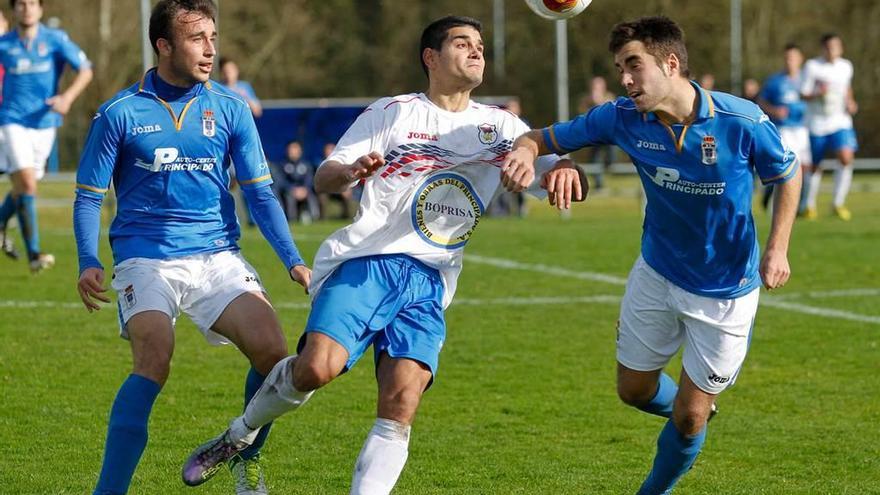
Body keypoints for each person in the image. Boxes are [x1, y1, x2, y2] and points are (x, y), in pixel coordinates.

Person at [180, 15, 585, 495]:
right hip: (369, 262)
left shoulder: (501, 127)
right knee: (315, 369)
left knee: (401, 403)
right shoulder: (394, 112)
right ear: (430, 58)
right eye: (463, 43)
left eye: (480, 45)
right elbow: (325, 176)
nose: (477, 52)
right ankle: (238, 435)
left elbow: (552, 162)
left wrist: (565, 168)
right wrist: (352, 169)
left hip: (431, 281)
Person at [503, 16, 800, 494]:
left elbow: (787, 174)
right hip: (657, 275)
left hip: (725, 292)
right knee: (633, 391)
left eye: (633, 65)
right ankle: (697, 404)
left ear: (671, 63)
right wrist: (532, 153)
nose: (624, 78)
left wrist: (778, 247)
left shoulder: (740, 120)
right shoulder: (620, 117)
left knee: (688, 418)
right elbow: (542, 137)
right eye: (620, 67)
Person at [73, 1, 310, 494]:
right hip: (145, 259)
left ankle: (244, 455)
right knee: (154, 359)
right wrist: (88, 260)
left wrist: (294, 260)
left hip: (217, 256)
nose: (210, 49)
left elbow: (261, 193)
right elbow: (88, 197)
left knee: (274, 354)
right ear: (163, 45)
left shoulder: (230, 107)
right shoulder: (118, 113)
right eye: (197, 38)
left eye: (213, 36)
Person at [0, 0, 93, 271]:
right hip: (12, 120)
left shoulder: (55, 39)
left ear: (40, 9)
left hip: (45, 123)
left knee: (24, 187)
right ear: (14, 10)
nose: (27, 8)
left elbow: (86, 70)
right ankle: (35, 255)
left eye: (32, 3)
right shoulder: (4, 44)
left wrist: (67, 98)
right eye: (21, 4)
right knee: (27, 184)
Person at [800, 33, 858, 220]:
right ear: (823, 48)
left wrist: (850, 102)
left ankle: (838, 203)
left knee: (846, 157)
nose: (833, 50)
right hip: (817, 123)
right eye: (829, 46)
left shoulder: (846, 66)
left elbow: (846, 88)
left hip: (840, 120)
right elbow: (803, 94)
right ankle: (808, 205)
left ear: (841, 48)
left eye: (836, 46)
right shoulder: (812, 66)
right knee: (815, 166)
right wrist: (818, 93)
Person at [758, 43, 812, 212]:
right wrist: (774, 110)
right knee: (790, 165)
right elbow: (761, 101)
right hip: (785, 129)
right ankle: (783, 206)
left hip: (804, 128)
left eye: (793, 58)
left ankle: (801, 205)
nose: (790, 61)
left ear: (800, 59)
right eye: (787, 58)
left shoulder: (807, 80)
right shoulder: (775, 81)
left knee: (806, 167)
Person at [577, 76, 617, 190]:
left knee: (611, 150)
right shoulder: (585, 100)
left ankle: (610, 166)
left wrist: (598, 101)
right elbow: (581, 116)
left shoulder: (609, 97)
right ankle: (599, 183)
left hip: (609, 135)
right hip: (593, 135)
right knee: (594, 158)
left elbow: (612, 113)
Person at [273, 140, 319, 224]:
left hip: (304, 191)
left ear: (300, 151)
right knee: (289, 196)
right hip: (290, 191)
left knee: (311, 194)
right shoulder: (282, 165)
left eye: (295, 149)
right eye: (291, 149)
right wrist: (292, 189)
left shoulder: (306, 164)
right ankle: (291, 219)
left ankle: (315, 217)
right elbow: (280, 181)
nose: (293, 152)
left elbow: (310, 179)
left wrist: (305, 189)